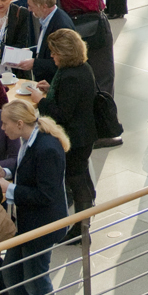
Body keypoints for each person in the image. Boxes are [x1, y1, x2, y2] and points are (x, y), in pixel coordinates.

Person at [0, 100, 68, 295]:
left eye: (5, 124)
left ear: (19, 123)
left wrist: (11, 190)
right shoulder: (29, 141)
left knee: (36, 281)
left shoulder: (47, 148)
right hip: (25, 224)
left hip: (41, 226)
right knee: (12, 275)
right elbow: (26, 168)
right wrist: (6, 174)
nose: (2, 128)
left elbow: (46, 195)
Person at [46, 0, 127, 138]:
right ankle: (103, 126)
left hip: (71, 26)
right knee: (103, 76)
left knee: (78, 74)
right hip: (94, 26)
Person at [36, 27, 99, 220]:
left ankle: (81, 224)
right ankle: (87, 212)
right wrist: (51, 89)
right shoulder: (82, 68)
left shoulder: (70, 76)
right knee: (82, 176)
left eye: (55, 52)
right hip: (86, 133)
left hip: (75, 139)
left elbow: (61, 114)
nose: (52, 56)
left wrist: (41, 100)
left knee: (76, 179)